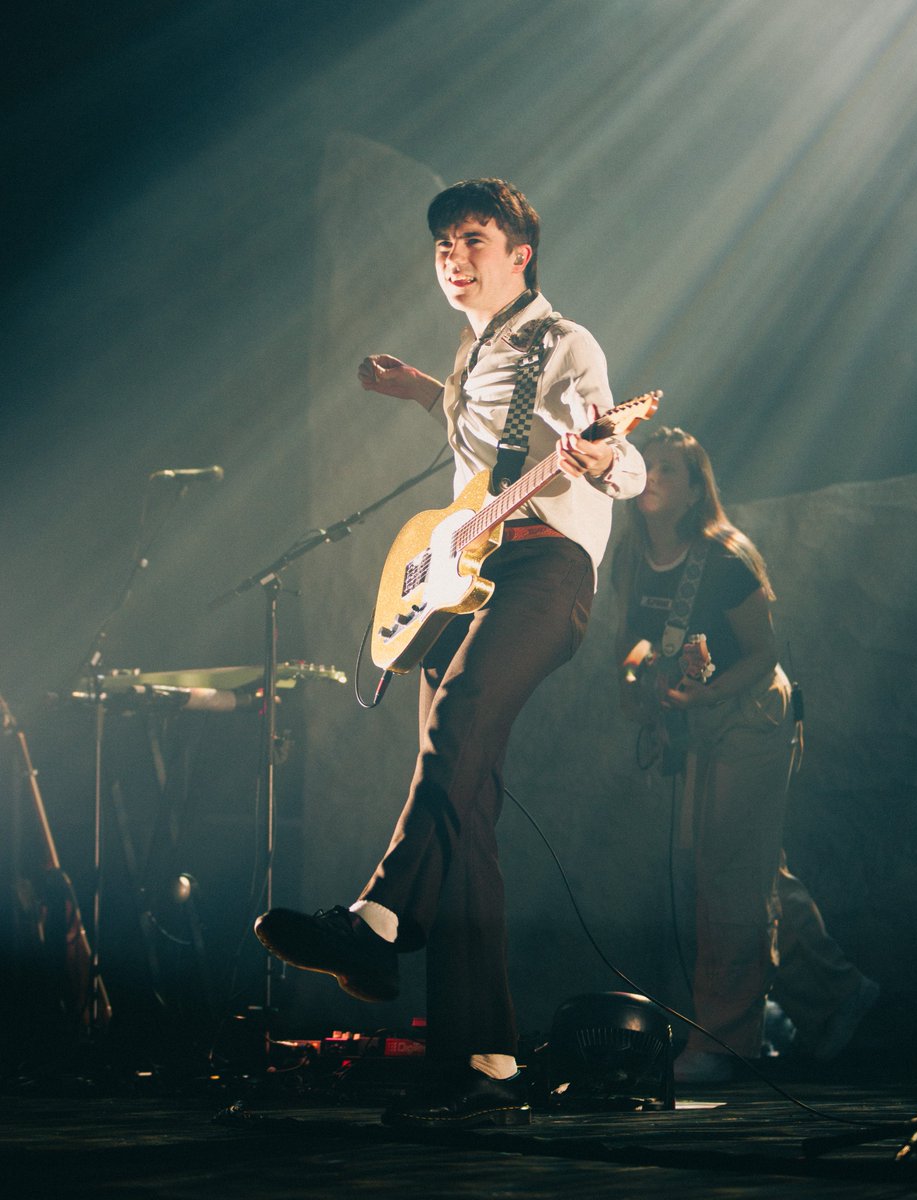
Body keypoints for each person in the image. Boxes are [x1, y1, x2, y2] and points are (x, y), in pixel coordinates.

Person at [254, 178, 648, 1126]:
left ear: (521, 252)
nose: (452, 256)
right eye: (441, 244)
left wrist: (605, 457)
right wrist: (425, 392)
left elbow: (617, 454)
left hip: (546, 573)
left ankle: (376, 919)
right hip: (465, 577)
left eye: (473, 238)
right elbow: (484, 456)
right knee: (464, 809)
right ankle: (485, 1063)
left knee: (460, 727)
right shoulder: (474, 348)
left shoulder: (566, 341)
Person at [613, 426, 877, 1084]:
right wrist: (640, 688)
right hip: (696, 718)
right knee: (743, 870)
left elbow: (763, 655)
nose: (650, 476)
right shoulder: (630, 553)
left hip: (752, 714)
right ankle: (838, 994)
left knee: (727, 878)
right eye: (644, 464)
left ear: (695, 486)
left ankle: (724, 1042)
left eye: (667, 469)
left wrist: (700, 699)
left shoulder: (724, 556)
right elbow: (636, 640)